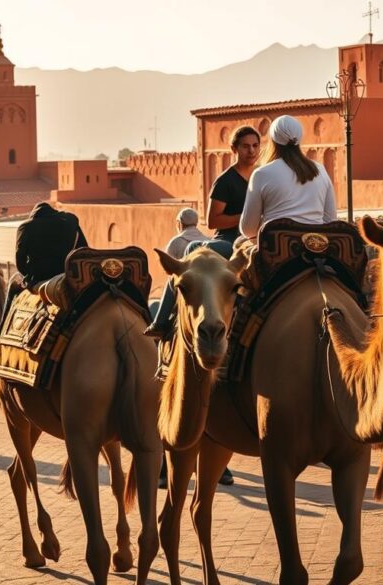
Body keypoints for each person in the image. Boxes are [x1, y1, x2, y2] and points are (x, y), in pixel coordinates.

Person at [154, 237, 237, 487]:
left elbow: (237, 220)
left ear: (180, 226)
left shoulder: (182, 242)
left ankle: (160, 324)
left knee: (178, 282)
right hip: (241, 245)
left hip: (230, 243)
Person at [0, 202, 87, 352]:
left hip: (40, 277)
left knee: (13, 284)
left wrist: (30, 276)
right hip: (66, 275)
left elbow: (20, 262)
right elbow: (83, 249)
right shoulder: (71, 221)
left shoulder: (26, 227)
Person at [239, 116, 336, 241]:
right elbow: (330, 221)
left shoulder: (261, 174)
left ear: (273, 141)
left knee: (238, 244)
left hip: (275, 249)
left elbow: (248, 230)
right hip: (314, 247)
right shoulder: (320, 170)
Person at [144, 208, 210, 337]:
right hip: (206, 287)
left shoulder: (176, 242)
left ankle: (159, 323)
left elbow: (169, 270)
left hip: (184, 288)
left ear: (180, 223)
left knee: (172, 281)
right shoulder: (206, 239)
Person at [208, 126, 261, 243]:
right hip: (229, 241)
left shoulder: (262, 176)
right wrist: (246, 217)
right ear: (234, 149)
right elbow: (212, 221)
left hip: (258, 239)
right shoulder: (225, 181)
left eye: (255, 145)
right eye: (245, 146)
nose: (251, 150)